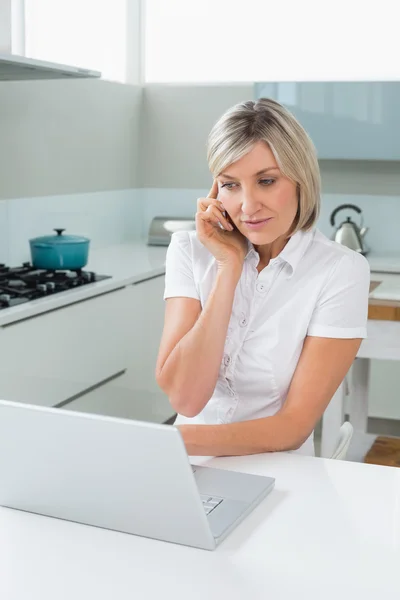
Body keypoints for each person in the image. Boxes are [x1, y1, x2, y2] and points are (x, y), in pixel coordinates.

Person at [155, 98, 370, 457]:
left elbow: (292, 428)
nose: (247, 205)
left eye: (266, 181)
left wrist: (167, 443)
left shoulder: (340, 271)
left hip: (279, 473)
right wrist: (228, 268)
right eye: (230, 184)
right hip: (183, 468)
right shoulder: (189, 250)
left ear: (301, 179)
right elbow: (186, 399)